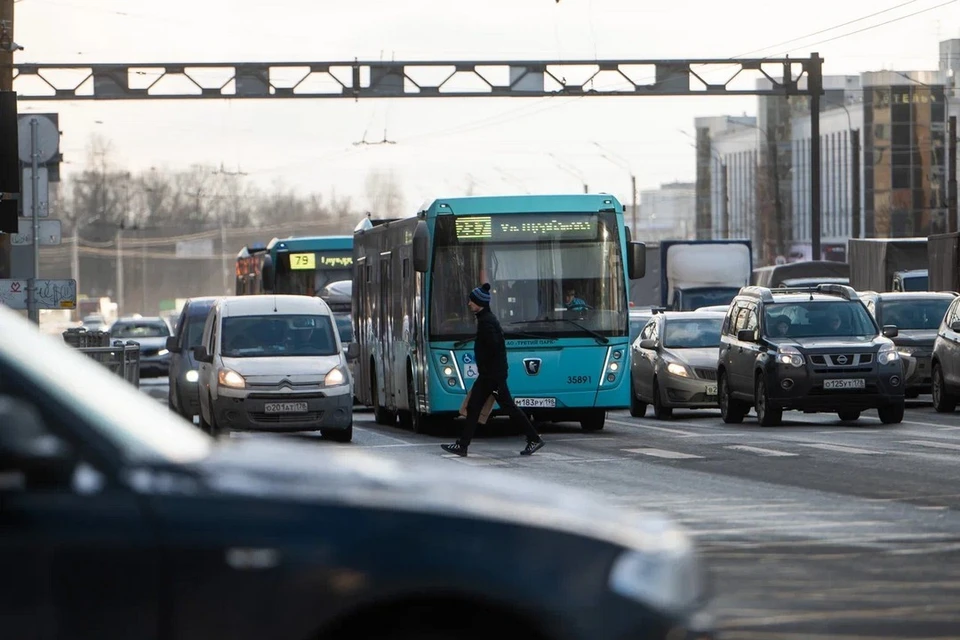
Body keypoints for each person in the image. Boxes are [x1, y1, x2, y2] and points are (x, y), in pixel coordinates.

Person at [442, 283, 545, 458]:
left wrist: (489, 371)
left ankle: (533, 438)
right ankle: (462, 445)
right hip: (490, 375)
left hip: (492, 376)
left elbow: (494, 347)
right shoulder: (485, 319)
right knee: (474, 407)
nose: (469, 304)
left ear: (479, 303)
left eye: (471, 301)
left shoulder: (487, 322)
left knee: (508, 407)